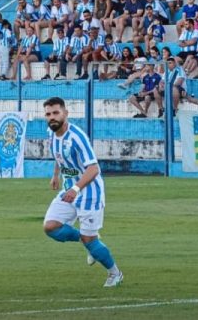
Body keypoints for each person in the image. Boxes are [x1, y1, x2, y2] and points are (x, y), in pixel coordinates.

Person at [42, 96, 123, 288]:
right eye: (48, 114)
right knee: (51, 227)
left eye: (55, 113)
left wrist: (77, 188)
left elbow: (94, 169)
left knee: (91, 240)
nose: (52, 117)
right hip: (68, 189)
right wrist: (56, 175)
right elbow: (58, 156)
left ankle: (115, 273)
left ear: (65, 113)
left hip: (89, 193)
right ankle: (85, 240)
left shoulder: (77, 137)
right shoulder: (51, 132)